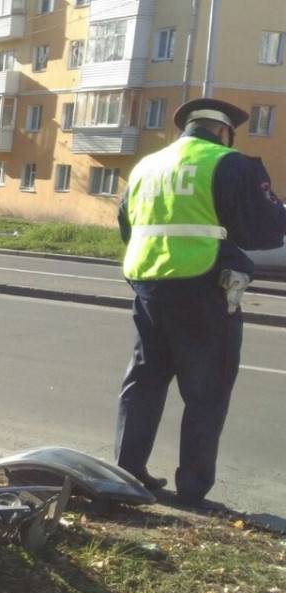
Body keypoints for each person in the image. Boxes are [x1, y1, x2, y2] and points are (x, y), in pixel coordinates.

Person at [114, 97, 286, 505]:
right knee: (206, 391)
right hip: (205, 288)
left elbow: (126, 225)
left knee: (145, 381)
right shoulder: (229, 162)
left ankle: (126, 471)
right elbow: (265, 231)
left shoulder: (147, 165)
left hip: (149, 286)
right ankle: (191, 491)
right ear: (224, 131)